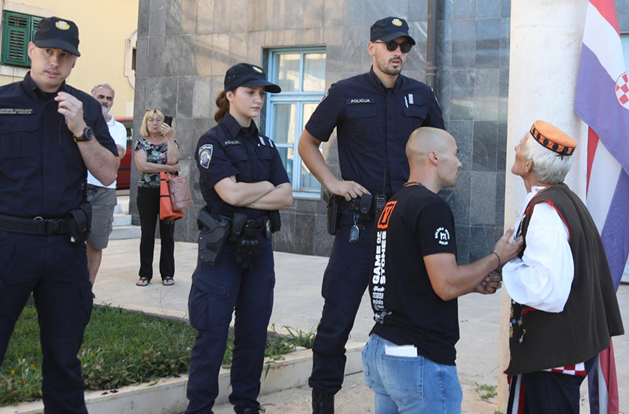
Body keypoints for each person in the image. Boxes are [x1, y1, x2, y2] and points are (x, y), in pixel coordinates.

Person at [0, 17, 119, 414]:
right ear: (32, 51)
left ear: (73, 62)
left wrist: (81, 130)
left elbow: (108, 172)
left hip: (65, 248)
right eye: (48, 52)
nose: (54, 62)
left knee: (65, 363)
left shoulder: (86, 107)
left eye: (64, 55)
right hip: (4, 246)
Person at [297, 16, 445, 412]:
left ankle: (398, 394)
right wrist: (332, 182)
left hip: (404, 229)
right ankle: (323, 399)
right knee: (336, 320)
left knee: (405, 319)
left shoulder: (421, 95)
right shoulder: (345, 93)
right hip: (358, 227)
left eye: (404, 47)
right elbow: (308, 142)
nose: (398, 53)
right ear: (372, 47)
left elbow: (441, 151)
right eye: (390, 45)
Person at [362, 127, 521, 414]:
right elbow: (446, 285)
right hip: (418, 357)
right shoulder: (431, 206)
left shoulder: (393, 204)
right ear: (434, 157)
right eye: (456, 154)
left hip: (384, 348)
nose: (460, 163)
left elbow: (411, 275)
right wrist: (497, 256)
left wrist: (471, 283)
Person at [185, 63, 293, 414]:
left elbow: (287, 195)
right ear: (230, 95)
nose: (258, 99)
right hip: (222, 250)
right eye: (250, 92)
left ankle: (246, 405)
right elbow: (229, 194)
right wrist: (264, 187)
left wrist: (250, 192)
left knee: (254, 332)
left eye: (261, 93)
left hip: (259, 247)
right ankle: (199, 408)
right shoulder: (212, 141)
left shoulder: (266, 142)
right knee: (212, 332)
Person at [502, 121, 624, 414]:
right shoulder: (561, 198)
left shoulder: (545, 211)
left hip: (555, 356)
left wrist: (505, 263)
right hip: (562, 350)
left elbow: (548, 291)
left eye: (520, 146)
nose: (516, 149)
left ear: (528, 163)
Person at [86, 83, 127, 286]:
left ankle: (88, 289)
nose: (104, 101)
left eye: (109, 98)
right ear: (91, 98)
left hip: (104, 192)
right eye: (100, 97)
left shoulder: (118, 128)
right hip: (78, 188)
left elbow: (118, 153)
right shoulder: (80, 122)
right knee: (69, 242)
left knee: (96, 243)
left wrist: (87, 143)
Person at [134, 109, 180, 286]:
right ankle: (145, 274)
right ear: (145, 124)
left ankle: (167, 274)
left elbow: (172, 160)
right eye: (150, 120)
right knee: (147, 234)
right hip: (147, 191)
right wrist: (168, 169)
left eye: (158, 120)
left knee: (168, 234)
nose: (154, 123)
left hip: (168, 192)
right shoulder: (141, 143)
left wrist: (170, 137)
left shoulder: (172, 141)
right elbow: (142, 166)